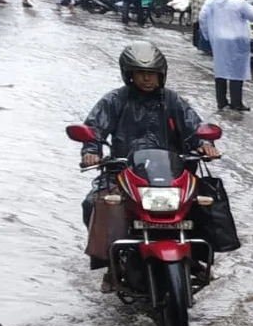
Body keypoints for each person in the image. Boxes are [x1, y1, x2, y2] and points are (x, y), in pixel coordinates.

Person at [79, 42, 219, 290]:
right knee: (94, 202)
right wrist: (92, 151)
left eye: (152, 72)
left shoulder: (173, 100)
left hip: (170, 174)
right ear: (129, 74)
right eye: (140, 72)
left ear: (161, 74)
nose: (146, 78)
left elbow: (194, 126)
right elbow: (94, 129)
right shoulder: (115, 100)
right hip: (124, 172)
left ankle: (198, 257)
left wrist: (205, 144)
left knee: (207, 198)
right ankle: (112, 264)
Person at [198, 0, 253, 111]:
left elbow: (202, 17)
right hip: (238, 40)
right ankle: (236, 103)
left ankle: (221, 102)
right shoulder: (239, 2)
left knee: (220, 71)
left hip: (219, 40)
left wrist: (208, 36)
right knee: (237, 72)